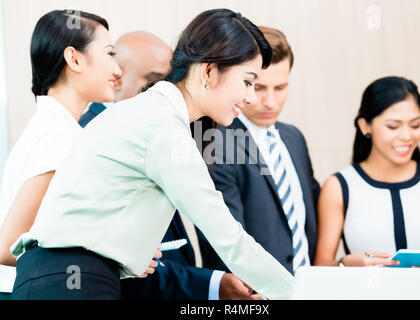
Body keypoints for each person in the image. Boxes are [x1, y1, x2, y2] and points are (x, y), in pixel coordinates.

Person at [11, 8, 294, 300]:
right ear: (208, 71)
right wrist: (300, 294)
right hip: (73, 285)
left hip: (54, 279)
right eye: (247, 81)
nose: (250, 96)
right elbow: (229, 239)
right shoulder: (164, 127)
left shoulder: (148, 112)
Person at [80, 30, 260, 300]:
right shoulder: (91, 138)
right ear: (116, 79)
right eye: (154, 82)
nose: (167, 92)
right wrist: (212, 285)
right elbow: (110, 259)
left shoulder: (166, 134)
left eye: (171, 80)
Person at [0, 9, 135, 299]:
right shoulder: (59, 136)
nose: (118, 70)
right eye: (110, 54)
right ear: (74, 59)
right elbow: (8, 243)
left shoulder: (54, 129)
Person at [198, 26, 320, 275]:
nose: (271, 102)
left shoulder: (294, 138)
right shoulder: (215, 141)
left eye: (281, 87)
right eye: (260, 88)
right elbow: (226, 246)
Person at [314, 76, 420, 299]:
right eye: (393, 126)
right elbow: (319, 270)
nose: (407, 136)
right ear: (365, 126)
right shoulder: (339, 186)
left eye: (415, 125)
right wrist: (344, 265)